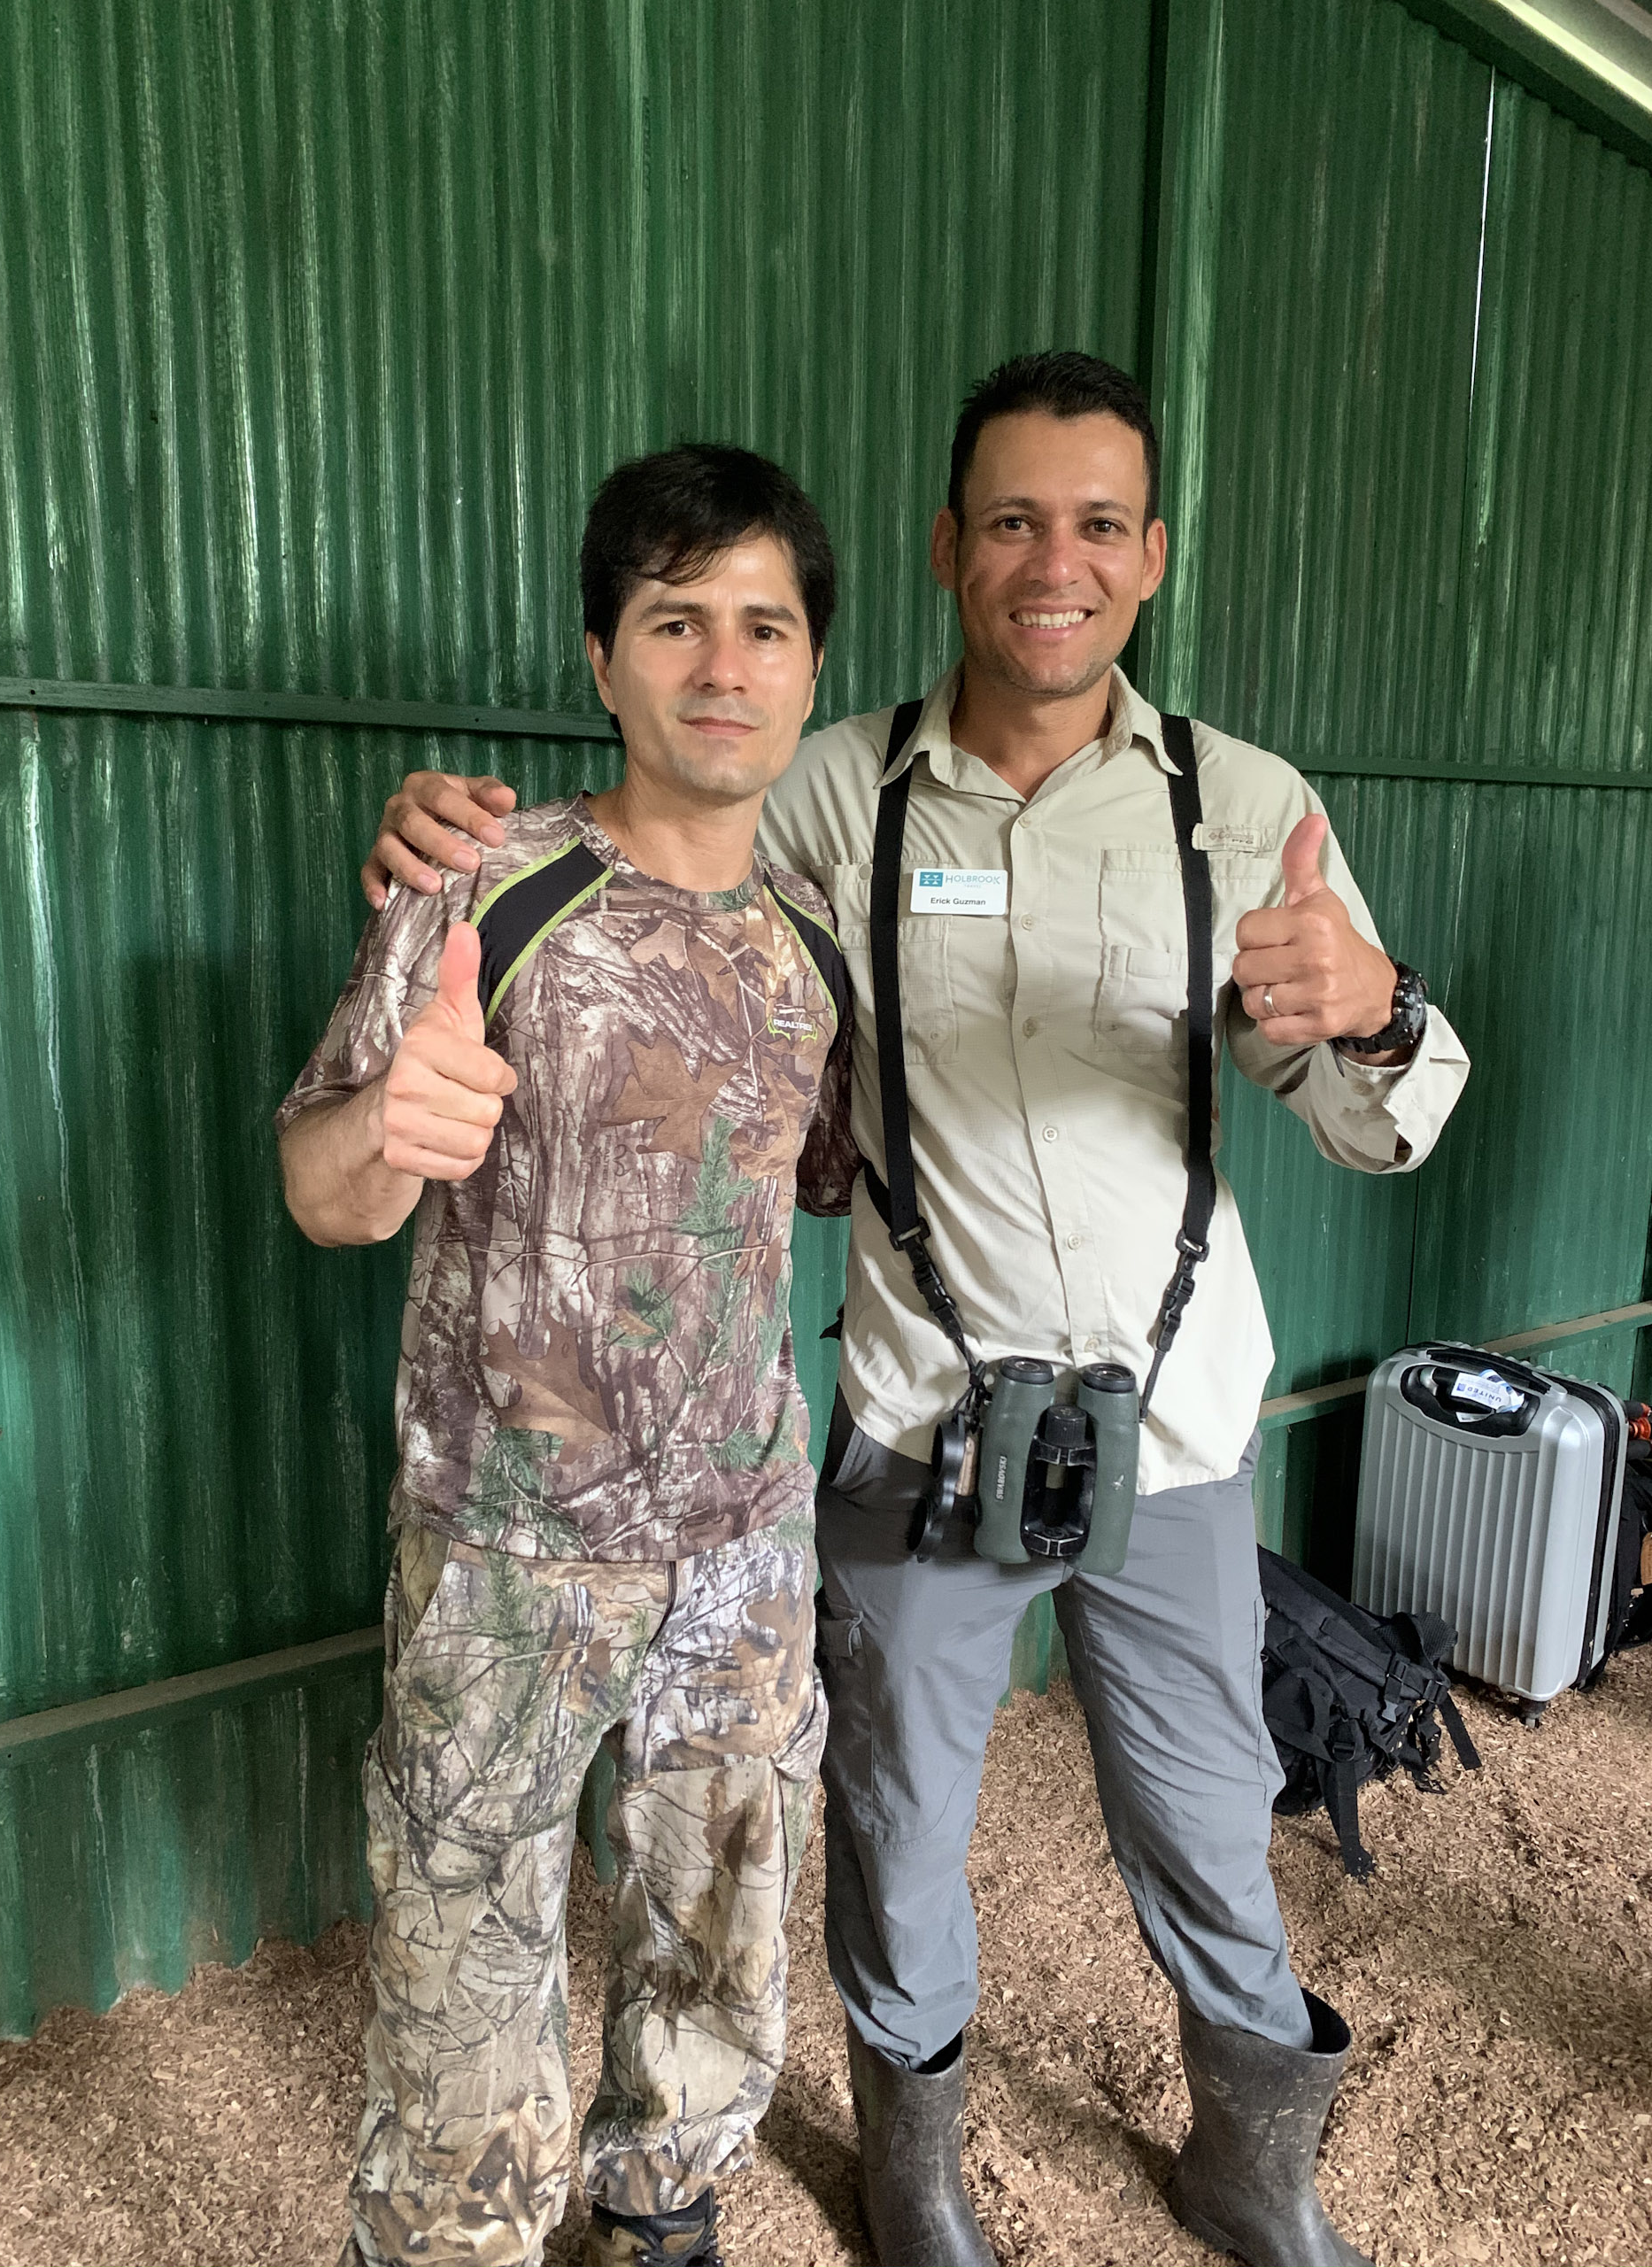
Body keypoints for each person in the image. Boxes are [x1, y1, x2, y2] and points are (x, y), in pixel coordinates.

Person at [359, 352, 1470, 2267]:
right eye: (1016, 520)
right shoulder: (819, 791)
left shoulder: (1246, 807)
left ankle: (1253, 2161)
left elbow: (1383, 1122)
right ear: (953, 548)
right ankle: (916, 2174)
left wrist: (1374, 1011)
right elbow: (654, 845)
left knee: (1213, 1815)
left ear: (1152, 555)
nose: (1058, 561)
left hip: (1176, 1425)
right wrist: (438, 836)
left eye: (1099, 523)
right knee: (891, 1818)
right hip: (921, 1422)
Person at [279, 443, 861, 2267]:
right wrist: (390, 1131)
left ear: (812, 670)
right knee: (464, 1957)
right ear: (603, 658)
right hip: (507, 1558)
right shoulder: (484, 888)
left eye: (764, 625)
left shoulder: (812, 947)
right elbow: (320, 1188)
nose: (722, 664)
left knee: (722, 1939)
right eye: (674, 620)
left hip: (744, 1551)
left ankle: (662, 2208)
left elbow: (802, 1191)